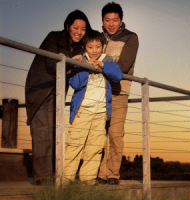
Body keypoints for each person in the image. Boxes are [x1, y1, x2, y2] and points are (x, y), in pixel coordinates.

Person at [25, 10, 92, 185]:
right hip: (40, 89)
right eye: (75, 27)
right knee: (41, 132)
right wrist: (72, 62)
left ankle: (54, 176)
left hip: (58, 91)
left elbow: (71, 73)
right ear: (68, 26)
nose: (79, 31)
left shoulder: (79, 47)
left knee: (55, 133)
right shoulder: (53, 37)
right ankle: (42, 178)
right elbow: (52, 63)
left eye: (83, 29)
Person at [63, 30, 123, 185]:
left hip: (101, 111)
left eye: (98, 46)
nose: (95, 50)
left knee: (95, 147)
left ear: (103, 46)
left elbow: (118, 76)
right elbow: (75, 84)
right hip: (83, 110)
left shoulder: (107, 59)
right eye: (91, 47)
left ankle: (87, 179)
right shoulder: (80, 60)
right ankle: (66, 179)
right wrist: (82, 65)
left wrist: (102, 65)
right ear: (84, 47)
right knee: (75, 144)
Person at [97, 2, 139, 185]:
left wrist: (99, 60)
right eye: (107, 20)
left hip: (119, 92)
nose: (111, 23)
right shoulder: (97, 37)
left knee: (115, 133)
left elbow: (123, 66)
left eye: (115, 20)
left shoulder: (131, 38)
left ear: (121, 21)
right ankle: (99, 173)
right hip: (97, 91)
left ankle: (113, 174)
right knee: (98, 134)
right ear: (103, 21)